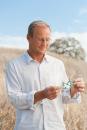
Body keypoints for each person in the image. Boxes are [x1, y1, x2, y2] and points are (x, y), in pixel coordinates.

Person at [5, 20, 85, 130]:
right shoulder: (14, 66)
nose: (45, 44)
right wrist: (41, 95)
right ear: (28, 38)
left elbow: (65, 88)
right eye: (40, 39)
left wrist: (73, 89)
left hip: (56, 126)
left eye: (47, 39)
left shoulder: (58, 64)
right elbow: (15, 99)